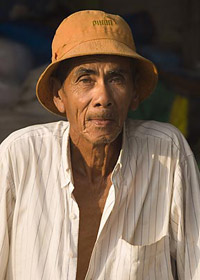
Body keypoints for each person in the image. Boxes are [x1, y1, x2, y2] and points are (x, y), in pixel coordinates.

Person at [0, 10, 200, 280]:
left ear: (135, 94)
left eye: (116, 79)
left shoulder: (168, 153)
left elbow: (195, 264)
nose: (103, 97)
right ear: (60, 96)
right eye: (85, 79)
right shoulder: (19, 156)